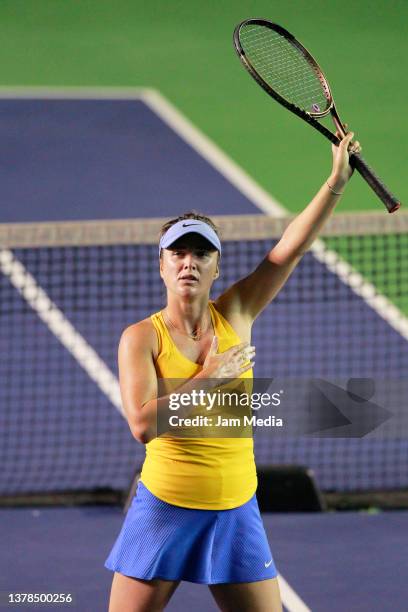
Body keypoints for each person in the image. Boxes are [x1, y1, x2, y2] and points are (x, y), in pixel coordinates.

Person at [105, 130, 361, 611]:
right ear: (161, 265)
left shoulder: (237, 312)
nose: (189, 263)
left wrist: (335, 184)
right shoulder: (141, 338)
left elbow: (289, 249)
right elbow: (142, 424)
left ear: (217, 267)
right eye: (178, 253)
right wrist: (209, 379)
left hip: (236, 511)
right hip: (164, 510)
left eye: (201, 254)